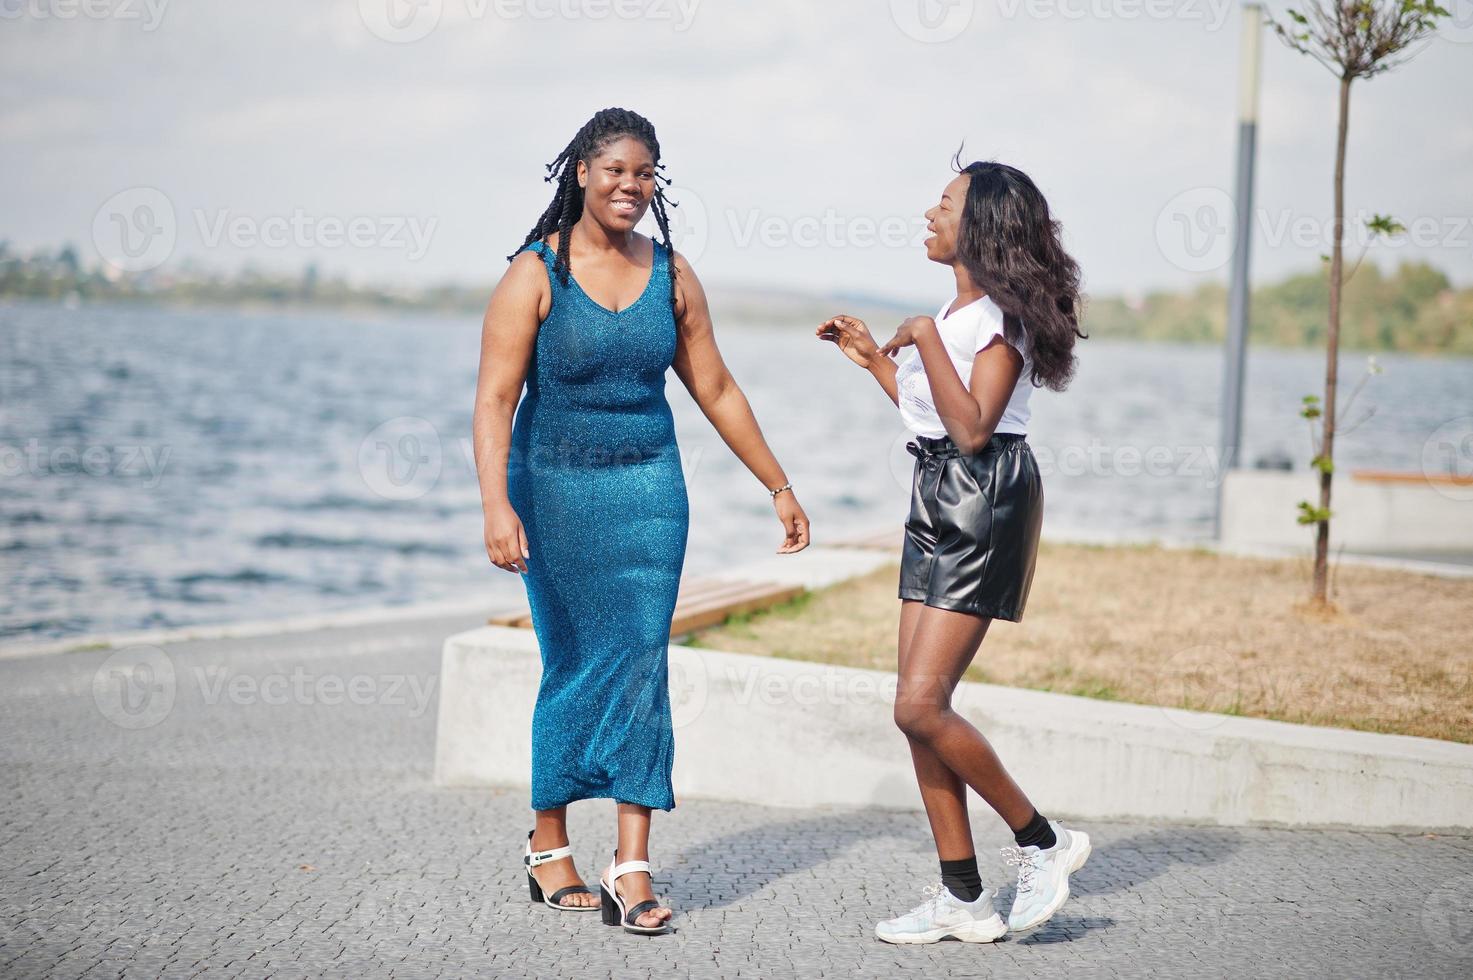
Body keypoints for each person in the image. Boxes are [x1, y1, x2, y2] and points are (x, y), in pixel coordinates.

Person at [472, 107, 811, 935]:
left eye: (645, 172)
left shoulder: (672, 274)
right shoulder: (533, 273)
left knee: (638, 661)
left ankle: (632, 862)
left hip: (650, 494)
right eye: (616, 170)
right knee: (575, 659)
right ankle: (548, 842)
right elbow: (493, 399)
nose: (631, 185)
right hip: (551, 491)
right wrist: (495, 504)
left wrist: (777, 484)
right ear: (581, 173)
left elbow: (717, 389)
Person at [817, 156, 1089, 945]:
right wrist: (875, 356)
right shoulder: (955, 311)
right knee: (915, 713)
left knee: (919, 704)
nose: (928, 213)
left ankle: (1044, 843)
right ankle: (963, 900)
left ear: (982, 226)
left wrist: (924, 336)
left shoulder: (996, 315)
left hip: (984, 499)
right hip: (937, 491)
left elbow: (974, 428)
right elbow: (933, 421)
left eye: (944, 203)